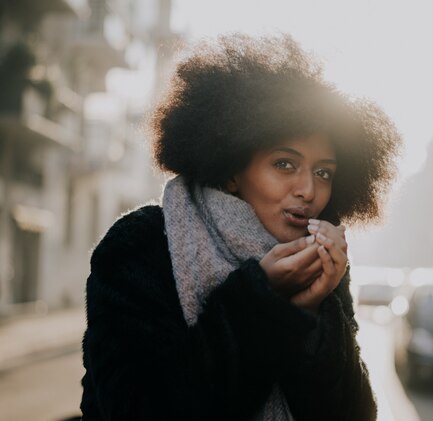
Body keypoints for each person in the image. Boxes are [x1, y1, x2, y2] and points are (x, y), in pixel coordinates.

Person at [79, 33, 401, 421]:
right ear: (232, 169)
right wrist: (261, 300)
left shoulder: (320, 263)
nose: (308, 189)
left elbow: (355, 415)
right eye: (285, 164)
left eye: (323, 172)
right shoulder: (141, 246)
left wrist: (313, 313)